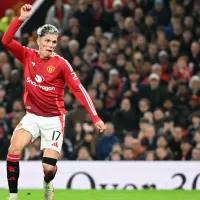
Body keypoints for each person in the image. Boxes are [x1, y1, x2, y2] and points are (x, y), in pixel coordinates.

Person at [2, 4, 106, 200]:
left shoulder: (61, 64)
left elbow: (79, 90)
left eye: (54, 42)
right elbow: (6, 41)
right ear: (38, 41)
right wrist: (21, 19)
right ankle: (13, 196)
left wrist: (95, 117)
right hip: (32, 116)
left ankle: (48, 183)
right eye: (48, 41)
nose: (51, 45)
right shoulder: (27, 55)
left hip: (53, 119)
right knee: (13, 149)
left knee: (48, 167)